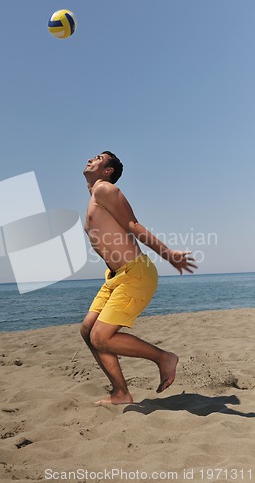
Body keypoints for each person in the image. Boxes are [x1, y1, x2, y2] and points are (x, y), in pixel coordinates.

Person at [81, 151, 198, 405]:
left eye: (99, 157)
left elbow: (133, 224)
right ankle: (121, 393)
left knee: (101, 337)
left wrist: (169, 255)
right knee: (88, 330)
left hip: (135, 274)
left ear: (108, 170)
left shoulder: (105, 189)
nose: (91, 158)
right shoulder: (94, 195)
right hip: (114, 277)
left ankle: (163, 358)